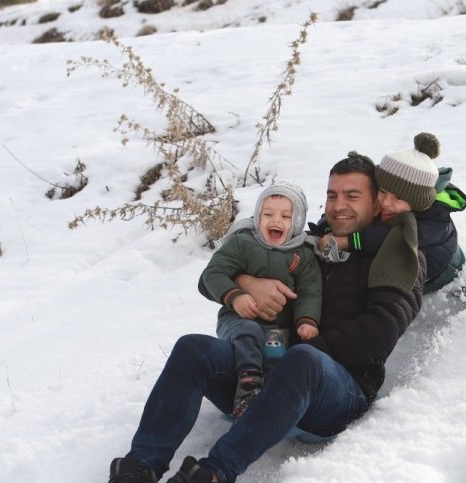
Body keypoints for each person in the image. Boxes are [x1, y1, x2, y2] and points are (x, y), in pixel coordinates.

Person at [109, 152, 423, 483]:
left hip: (338, 392)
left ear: (376, 204)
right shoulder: (307, 244)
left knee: (303, 358)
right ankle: (142, 465)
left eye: (352, 195)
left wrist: (302, 352)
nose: (338, 204)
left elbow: (383, 328)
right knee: (193, 349)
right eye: (333, 194)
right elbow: (209, 280)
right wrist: (247, 284)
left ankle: (215, 472)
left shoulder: (399, 255)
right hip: (272, 375)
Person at [200, 182, 322, 418]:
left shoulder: (304, 254)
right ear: (257, 216)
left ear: (296, 223)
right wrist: (235, 297)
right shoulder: (243, 242)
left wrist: (307, 320)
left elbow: (310, 291)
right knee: (248, 333)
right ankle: (247, 387)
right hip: (236, 319)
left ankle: (263, 407)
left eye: (286, 216)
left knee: (275, 356)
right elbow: (213, 273)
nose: (275, 220)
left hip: (276, 327)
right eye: (267, 214)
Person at [315, 133, 466, 293]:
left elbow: (393, 237)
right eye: (382, 191)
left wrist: (348, 241)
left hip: (445, 274)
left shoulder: (435, 221)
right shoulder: (394, 203)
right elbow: (355, 210)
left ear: (417, 202)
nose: (386, 202)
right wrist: (325, 227)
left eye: (398, 197)